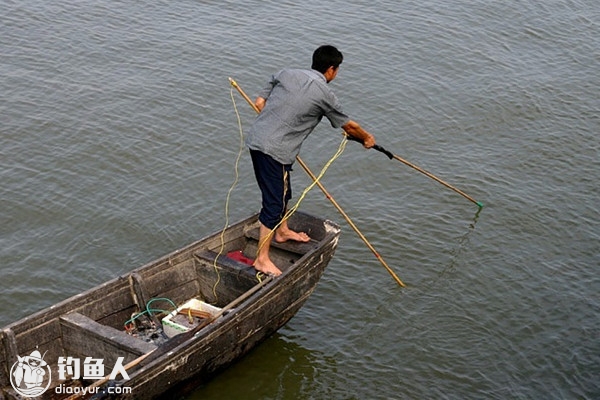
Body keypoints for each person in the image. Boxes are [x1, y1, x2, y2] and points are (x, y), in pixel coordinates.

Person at [246, 44, 376, 276]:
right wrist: (367, 139)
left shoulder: (286, 73)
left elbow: (259, 102)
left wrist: (274, 121)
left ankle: (282, 231)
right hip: (273, 151)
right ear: (331, 70)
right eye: (337, 70)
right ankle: (262, 259)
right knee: (273, 204)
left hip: (259, 140)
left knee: (284, 191)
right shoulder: (325, 94)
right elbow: (350, 126)